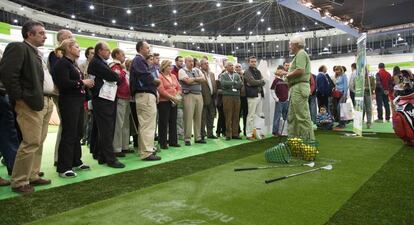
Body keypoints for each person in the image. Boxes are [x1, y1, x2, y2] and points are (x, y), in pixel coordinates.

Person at [0, 20, 54, 193]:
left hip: (45, 101)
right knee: (30, 141)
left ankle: (33, 175)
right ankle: (19, 181)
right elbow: (8, 75)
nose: (45, 36)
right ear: (29, 34)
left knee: (38, 141)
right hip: (30, 102)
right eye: (41, 33)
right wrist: (20, 98)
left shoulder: (36, 52)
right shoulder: (18, 47)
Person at [54, 39, 94, 177]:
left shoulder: (72, 64)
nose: (79, 49)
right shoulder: (62, 63)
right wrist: (82, 82)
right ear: (69, 48)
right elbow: (63, 83)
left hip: (77, 100)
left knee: (77, 132)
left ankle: (76, 161)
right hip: (68, 101)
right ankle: (63, 167)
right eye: (76, 47)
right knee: (69, 133)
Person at [88, 42, 125, 168]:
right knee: (107, 130)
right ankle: (110, 159)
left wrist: (116, 76)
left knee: (104, 129)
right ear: (100, 51)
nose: (109, 52)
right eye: (107, 50)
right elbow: (116, 77)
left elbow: (116, 77)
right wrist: (117, 76)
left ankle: (103, 156)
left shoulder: (100, 63)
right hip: (103, 100)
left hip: (105, 99)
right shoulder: (97, 63)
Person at [130, 41, 161, 161]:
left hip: (144, 95)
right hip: (145, 95)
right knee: (147, 125)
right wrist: (155, 81)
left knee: (146, 124)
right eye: (147, 47)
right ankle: (147, 152)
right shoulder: (139, 60)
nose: (149, 49)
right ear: (141, 48)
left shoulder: (140, 61)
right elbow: (144, 75)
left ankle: (145, 150)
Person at [48, 29, 73, 166]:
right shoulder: (55, 55)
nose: (71, 39)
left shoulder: (67, 57)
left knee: (69, 126)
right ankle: (59, 157)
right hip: (61, 94)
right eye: (68, 37)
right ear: (60, 40)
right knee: (65, 125)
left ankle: (67, 157)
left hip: (69, 95)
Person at [283, 35, 314, 140]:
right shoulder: (298, 55)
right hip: (296, 88)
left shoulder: (301, 54)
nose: (290, 47)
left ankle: (308, 144)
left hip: (299, 87)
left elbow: (300, 70)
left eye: (290, 44)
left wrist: (286, 74)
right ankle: (294, 142)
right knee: (293, 117)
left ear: (296, 44)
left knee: (302, 117)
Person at [178, 56, 206, 146]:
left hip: (199, 95)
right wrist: (197, 80)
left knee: (198, 117)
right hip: (188, 95)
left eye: (192, 61)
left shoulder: (197, 70)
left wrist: (193, 79)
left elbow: (203, 79)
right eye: (189, 61)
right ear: (185, 62)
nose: (191, 63)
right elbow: (188, 82)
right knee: (188, 117)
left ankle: (198, 137)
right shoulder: (182, 71)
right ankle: (187, 138)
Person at [110, 48, 131, 157]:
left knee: (125, 123)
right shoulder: (115, 66)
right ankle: (117, 148)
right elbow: (116, 79)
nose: (124, 55)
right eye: (122, 54)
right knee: (119, 123)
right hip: (119, 97)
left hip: (126, 97)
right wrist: (123, 70)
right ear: (117, 54)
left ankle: (124, 146)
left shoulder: (121, 67)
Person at [157, 60, 182, 149]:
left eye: (171, 66)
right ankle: (163, 143)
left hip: (174, 101)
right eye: (169, 66)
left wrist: (177, 95)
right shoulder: (160, 77)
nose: (171, 67)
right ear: (164, 67)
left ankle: (173, 141)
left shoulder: (174, 76)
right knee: (163, 122)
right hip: (164, 102)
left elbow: (179, 87)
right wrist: (172, 97)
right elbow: (161, 90)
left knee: (173, 121)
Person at [244, 56, 266, 140]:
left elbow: (263, 82)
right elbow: (251, 82)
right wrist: (259, 82)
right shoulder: (247, 72)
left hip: (260, 95)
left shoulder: (258, 71)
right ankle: (249, 134)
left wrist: (256, 82)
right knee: (251, 116)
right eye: (252, 61)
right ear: (249, 62)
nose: (253, 63)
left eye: (255, 61)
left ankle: (258, 133)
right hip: (252, 95)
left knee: (258, 115)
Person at [220, 61, 243, 140]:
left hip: (236, 97)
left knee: (236, 115)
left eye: (232, 65)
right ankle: (228, 134)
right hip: (227, 97)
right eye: (230, 65)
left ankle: (235, 134)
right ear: (226, 67)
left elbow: (240, 84)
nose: (232, 67)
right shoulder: (223, 75)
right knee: (228, 116)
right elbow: (223, 84)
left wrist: (230, 84)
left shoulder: (237, 75)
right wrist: (233, 82)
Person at [79, 46, 95, 146]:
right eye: (92, 53)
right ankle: (83, 137)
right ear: (87, 55)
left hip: (94, 94)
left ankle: (89, 139)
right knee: (85, 119)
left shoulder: (96, 65)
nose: (93, 55)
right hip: (85, 94)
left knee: (92, 119)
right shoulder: (81, 66)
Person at [200, 58, 217, 139]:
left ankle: (210, 133)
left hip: (212, 98)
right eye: (205, 63)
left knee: (211, 116)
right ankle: (202, 134)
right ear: (201, 65)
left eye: (207, 63)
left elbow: (214, 86)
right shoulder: (199, 73)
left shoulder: (212, 74)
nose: (207, 64)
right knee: (202, 118)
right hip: (203, 98)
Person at [271, 65, 289, 136]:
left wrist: (287, 98)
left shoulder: (286, 80)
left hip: (286, 101)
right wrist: (276, 99)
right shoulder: (275, 80)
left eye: (282, 71)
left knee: (286, 117)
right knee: (277, 116)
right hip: (279, 102)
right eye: (280, 71)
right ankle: (275, 132)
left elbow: (288, 89)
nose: (281, 72)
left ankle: (285, 131)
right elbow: (272, 90)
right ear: (277, 71)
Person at [171, 56, 184, 140]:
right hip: (173, 96)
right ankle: (176, 134)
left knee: (181, 115)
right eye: (180, 61)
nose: (181, 63)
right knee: (176, 115)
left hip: (182, 95)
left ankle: (181, 133)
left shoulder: (183, 71)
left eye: (182, 61)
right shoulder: (172, 72)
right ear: (176, 62)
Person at [235, 63, 247, 136]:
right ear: (234, 68)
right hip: (237, 97)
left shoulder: (245, 76)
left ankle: (246, 130)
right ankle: (237, 131)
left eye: (239, 67)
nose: (238, 68)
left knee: (246, 115)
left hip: (245, 97)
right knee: (237, 115)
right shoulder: (233, 76)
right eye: (237, 67)